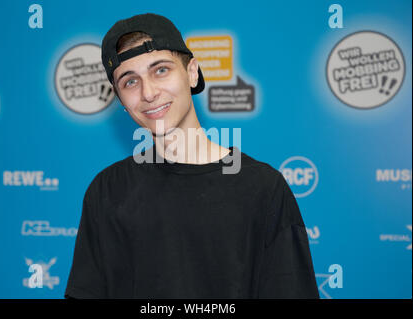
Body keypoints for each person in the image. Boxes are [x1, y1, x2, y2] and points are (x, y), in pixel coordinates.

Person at [64, 13, 319, 299]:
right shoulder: (107, 191)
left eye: (160, 70)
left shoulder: (264, 189)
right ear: (120, 99)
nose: (148, 93)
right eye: (130, 82)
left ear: (192, 72)